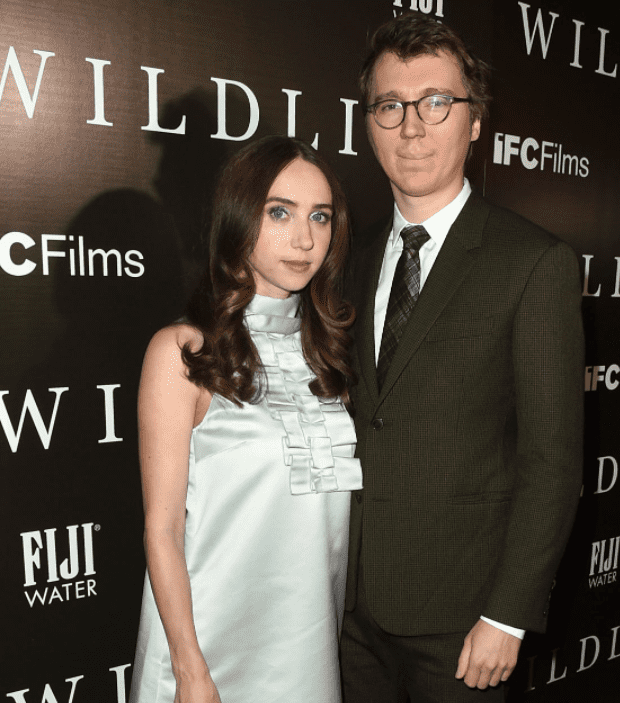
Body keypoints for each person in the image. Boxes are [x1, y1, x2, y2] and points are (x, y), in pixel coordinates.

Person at [340, 13, 584, 703]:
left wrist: (506, 613)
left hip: (462, 621)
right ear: (369, 122)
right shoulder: (345, 261)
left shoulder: (533, 263)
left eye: (436, 103)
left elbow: (552, 458)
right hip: (346, 608)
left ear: (474, 121)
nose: (411, 127)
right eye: (391, 106)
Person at [129, 135, 362, 703]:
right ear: (238, 220)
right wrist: (189, 670)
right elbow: (163, 530)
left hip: (308, 651)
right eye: (279, 212)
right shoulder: (183, 352)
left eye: (320, 217)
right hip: (209, 650)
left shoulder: (330, 358)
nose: (305, 239)